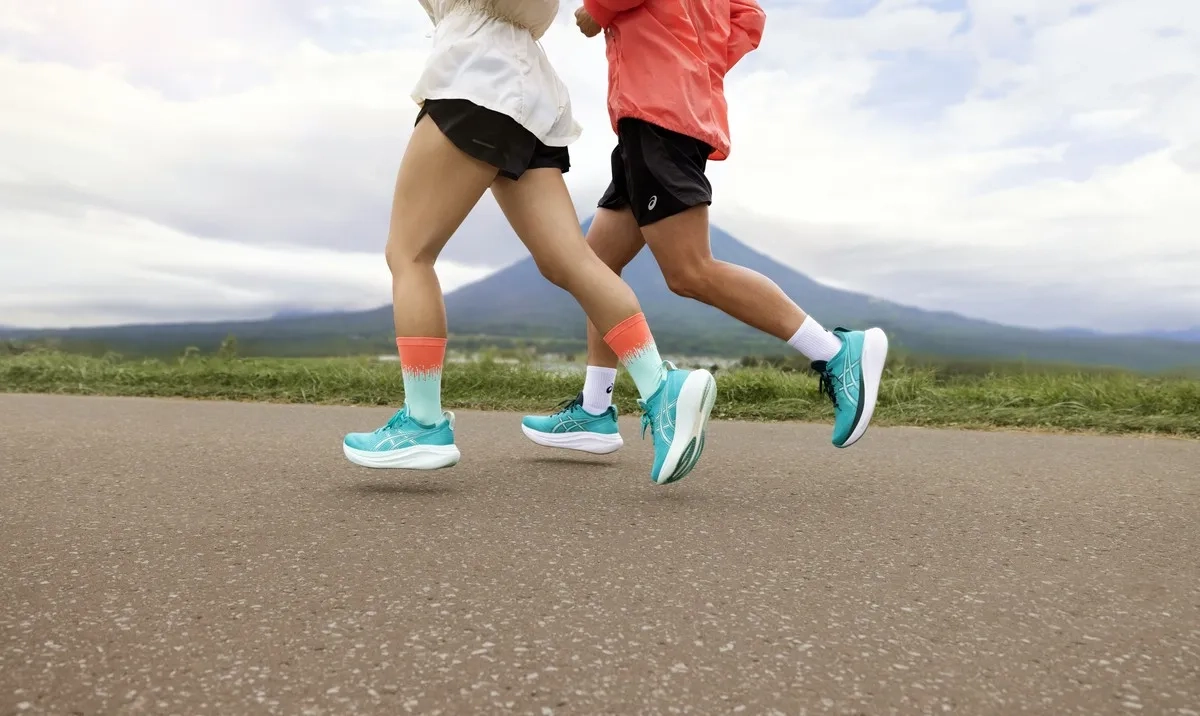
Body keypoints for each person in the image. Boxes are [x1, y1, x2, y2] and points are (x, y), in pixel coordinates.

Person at [341, 0, 717, 485]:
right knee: (570, 260)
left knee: (409, 254)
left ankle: (422, 423)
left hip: (474, 79)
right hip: (526, 91)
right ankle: (662, 388)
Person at [521, 0, 888, 454]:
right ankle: (595, 410)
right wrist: (696, 61)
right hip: (664, 113)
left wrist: (599, 10)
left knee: (689, 270)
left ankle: (835, 353)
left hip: (658, 114)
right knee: (595, 268)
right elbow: (748, 16)